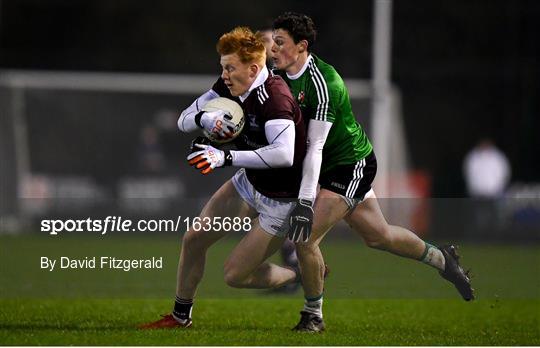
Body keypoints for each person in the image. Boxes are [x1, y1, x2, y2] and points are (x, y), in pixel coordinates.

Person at [270, 12, 474, 332]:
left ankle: (313, 315)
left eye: (279, 43)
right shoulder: (275, 74)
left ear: (301, 46)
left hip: (349, 164)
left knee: (305, 237)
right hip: (324, 166)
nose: (273, 49)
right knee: (379, 236)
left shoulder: (325, 83)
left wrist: (305, 202)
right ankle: (443, 260)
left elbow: (315, 148)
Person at [140, 26, 307, 329]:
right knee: (193, 240)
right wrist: (205, 118)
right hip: (250, 183)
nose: (224, 74)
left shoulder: (276, 99)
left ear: (253, 68)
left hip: (282, 199)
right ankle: (180, 317)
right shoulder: (228, 85)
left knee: (234, 276)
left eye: (230, 67)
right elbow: (182, 121)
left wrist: (225, 157)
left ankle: (300, 274)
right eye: (223, 67)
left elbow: (284, 155)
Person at [260, 27, 300, 292]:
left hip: (295, 169)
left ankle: (297, 272)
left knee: (377, 234)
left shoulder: (285, 83)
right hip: (267, 169)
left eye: (276, 42)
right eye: (264, 42)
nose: (270, 47)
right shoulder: (253, 83)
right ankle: (295, 270)